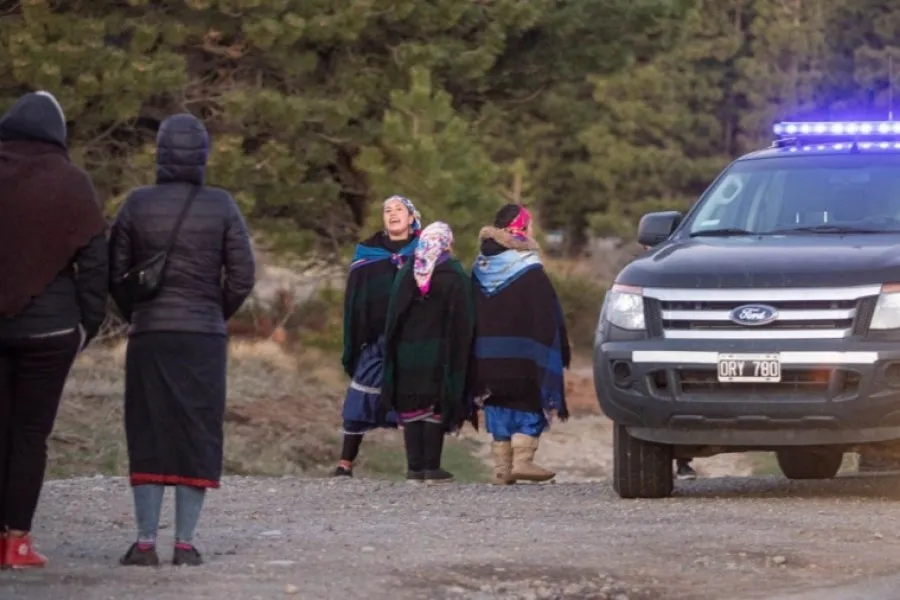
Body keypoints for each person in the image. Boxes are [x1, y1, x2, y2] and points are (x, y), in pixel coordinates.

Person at [109, 113, 256, 567]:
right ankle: (187, 544)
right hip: (203, 338)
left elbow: (116, 275)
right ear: (204, 156)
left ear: (160, 153)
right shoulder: (222, 205)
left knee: (149, 428)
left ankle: (145, 542)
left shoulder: (136, 203)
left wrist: (139, 313)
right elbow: (243, 276)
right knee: (198, 430)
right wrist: (215, 311)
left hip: (151, 334)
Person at [0, 91, 108, 569]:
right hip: (52, 332)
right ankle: (17, 540)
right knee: (30, 434)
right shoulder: (73, 182)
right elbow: (96, 261)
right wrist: (88, 322)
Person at [470, 204, 570, 484]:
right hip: (523, 356)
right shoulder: (529, 269)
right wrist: (554, 348)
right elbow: (547, 315)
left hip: (486, 355)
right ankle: (524, 460)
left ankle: (502, 468)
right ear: (522, 229)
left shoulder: (480, 268)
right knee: (528, 400)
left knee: (497, 402)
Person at [332, 196, 421, 477]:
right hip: (376, 339)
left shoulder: (425, 252)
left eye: (399, 210)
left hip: (412, 341)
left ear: (411, 218)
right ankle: (345, 464)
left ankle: (416, 467)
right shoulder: (368, 253)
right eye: (387, 211)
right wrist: (355, 339)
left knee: (412, 401)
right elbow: (355, 300)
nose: (392, 214)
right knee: (359, 398)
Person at [380, 222, 475, 484]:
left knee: (411, 407)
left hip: (406, 352)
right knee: (435, 405)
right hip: (439, 352)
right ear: (446, 243)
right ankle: (432, 467)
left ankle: (414, 469)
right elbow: (465, 318)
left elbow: (392, 316)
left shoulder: (406, 272)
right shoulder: (453, 274)